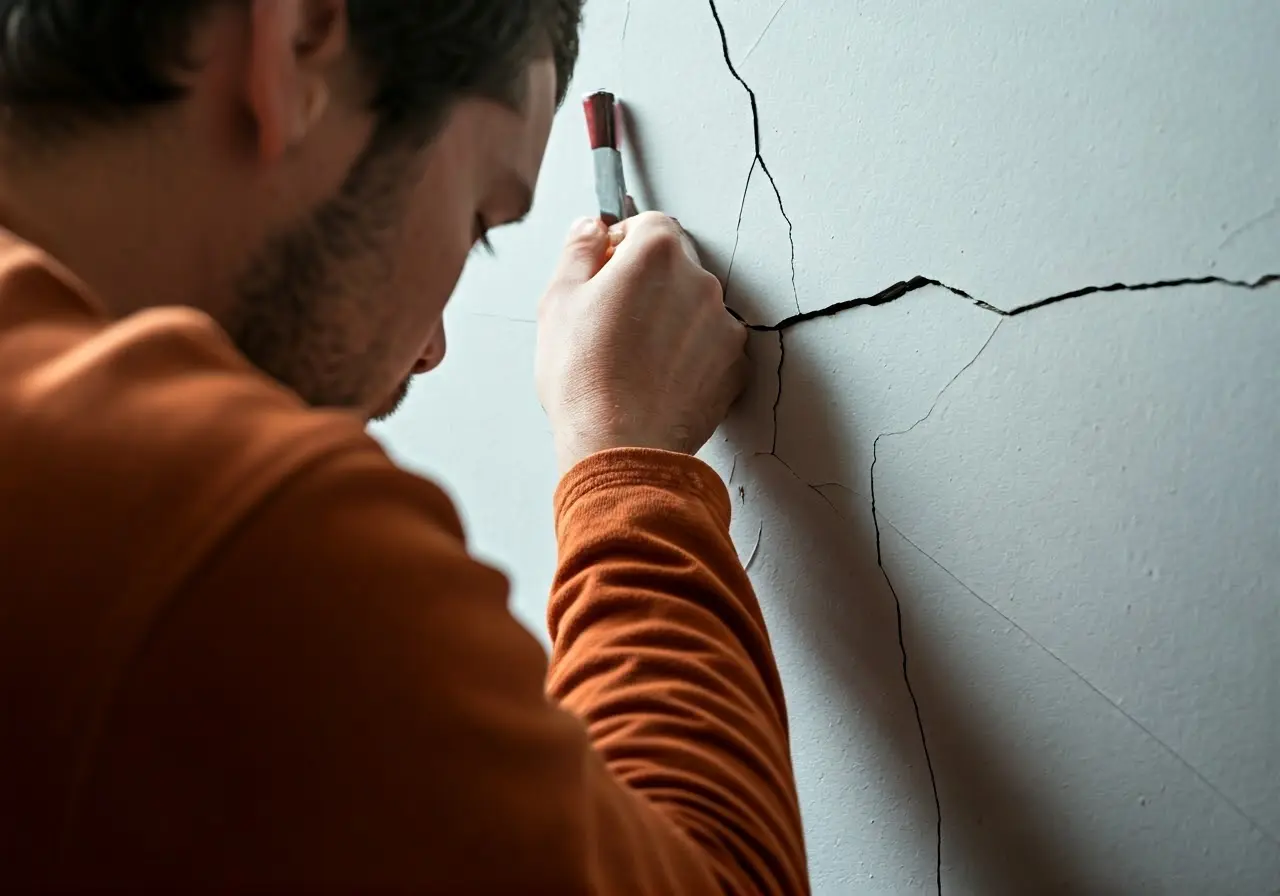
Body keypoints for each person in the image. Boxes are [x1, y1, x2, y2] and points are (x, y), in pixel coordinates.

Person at [0, 1, 808, 892]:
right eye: (479, 219)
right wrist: (626, 458)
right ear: (296, 44)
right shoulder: (214, 524)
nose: (431, 350)